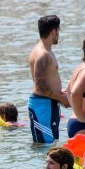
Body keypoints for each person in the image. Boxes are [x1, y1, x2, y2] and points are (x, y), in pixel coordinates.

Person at [28, 15, 70, 144]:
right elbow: (40, 86)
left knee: (52, 146)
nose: (58, 34)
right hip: (43, 105)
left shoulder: (45, 50)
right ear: (53, 31)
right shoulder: (43, 54)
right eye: (58, 31)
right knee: (44, 146)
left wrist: (60, 95)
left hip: (49, 103)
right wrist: (61, 98)